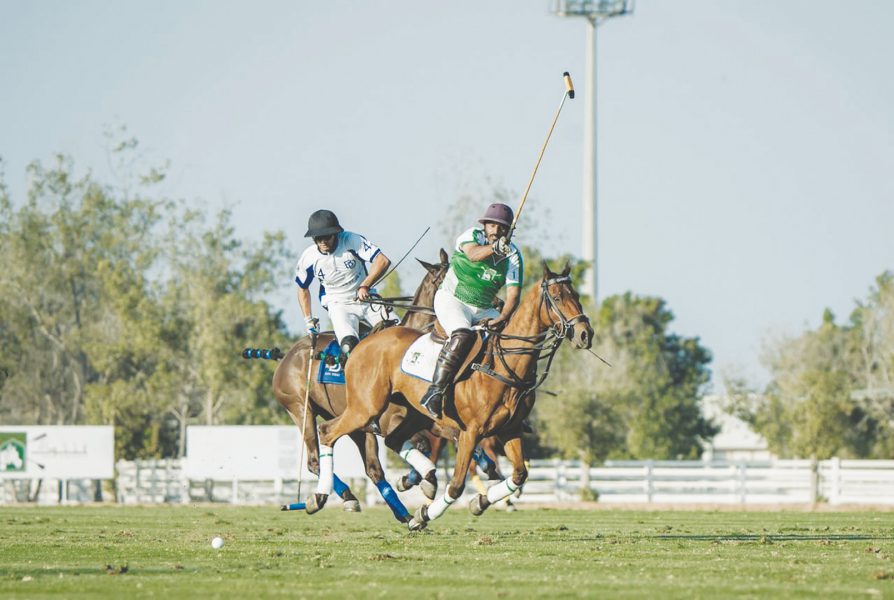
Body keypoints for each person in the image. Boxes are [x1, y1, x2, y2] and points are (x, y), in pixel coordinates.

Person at [419, 202, 524, 419]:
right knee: (462, 334)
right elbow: (474, 255)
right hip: (453, 299)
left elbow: (513, 295)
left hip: (485, 308)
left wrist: (503, 317)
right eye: (491, 225)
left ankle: (508, 397)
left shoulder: (513, 256)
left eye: (501, 227)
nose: (496, 230)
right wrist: (494, 249)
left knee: (511, 340)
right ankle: (435, 392)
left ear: (508, 231)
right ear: (484, 225)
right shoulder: (472, 236)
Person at [295, 209, 394, 361]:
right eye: (318, 238)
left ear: (335, 233)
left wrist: (365, 285)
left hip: (367, 299)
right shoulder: (308, 258)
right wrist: (309, 321)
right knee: (349, 347)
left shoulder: (351, 241)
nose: (323, 242)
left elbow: (382, 261)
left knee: (400, 333)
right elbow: (302, 288)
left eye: (327, 236)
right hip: (338, 305)